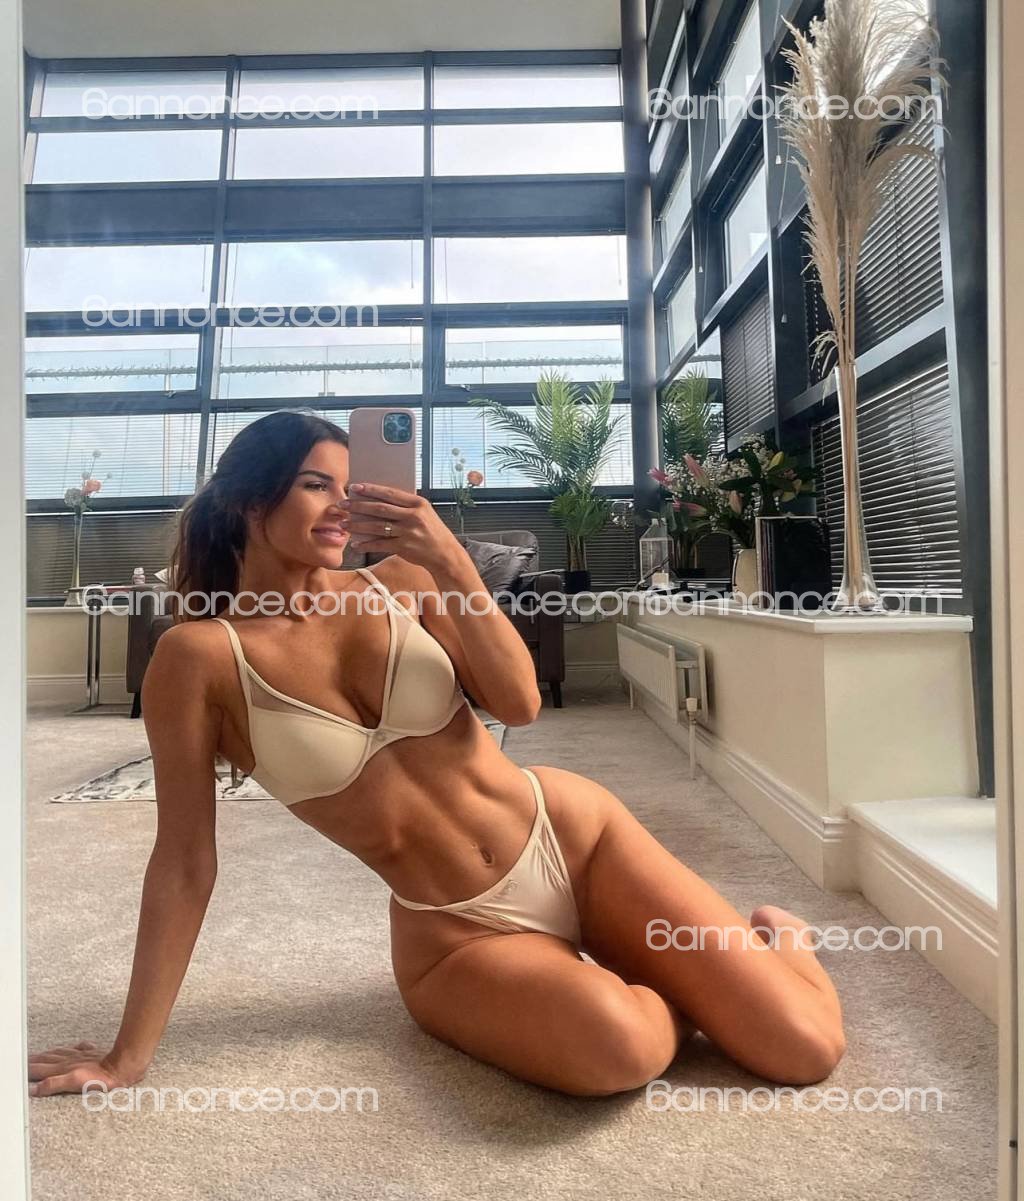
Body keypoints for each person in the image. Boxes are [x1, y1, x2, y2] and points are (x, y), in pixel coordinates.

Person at [28, 411, 845, 1099]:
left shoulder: (405, 582)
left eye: (350, 486)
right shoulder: (197, 658)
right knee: (617, 1051)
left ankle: (780, 941)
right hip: (459, 934)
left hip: (572, 838)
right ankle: (672, 988)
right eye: (316, 484)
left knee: (805, 1050)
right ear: (247, 497)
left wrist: (448, 557)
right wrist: (126, 1054)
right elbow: (183, 862)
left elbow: (519, 702)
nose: (342, 505)